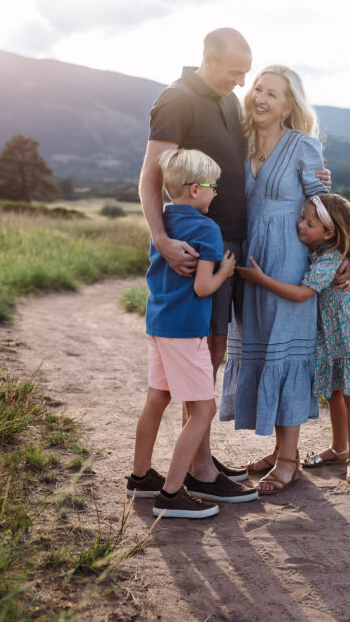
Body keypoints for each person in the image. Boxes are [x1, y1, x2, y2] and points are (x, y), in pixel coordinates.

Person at [138, 29, 332, 493]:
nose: (246, 86)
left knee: (239, 352)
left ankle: (230, 461)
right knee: (212, 353)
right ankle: (200, 468)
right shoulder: (182, 102)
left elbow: (321, 201)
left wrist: (338, 250)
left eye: (257, 81)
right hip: (218, 253)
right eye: (239, 75)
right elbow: (152, 176)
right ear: (207, 59)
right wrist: (160, 237)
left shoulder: (232, 107)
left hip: (260, 256)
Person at [127, 148, 258, 517]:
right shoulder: (207, 229)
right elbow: (203, 288)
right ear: (196, 189)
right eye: (214, 187)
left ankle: (139, 478)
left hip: (159, 324)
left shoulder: (164, 221)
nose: (216, 193)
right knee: (203, 409)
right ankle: (172, 494)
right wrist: (225, 272)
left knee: (158, 397)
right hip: (187, 331)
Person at [221, 65, 329, 495]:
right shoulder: (239, 143)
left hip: (287, 261)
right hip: (248, 261)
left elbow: (324, 209)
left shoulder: (304, 147)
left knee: (286, 354)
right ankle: (276, 450)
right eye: (257, 89)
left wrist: (339, 257)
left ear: (289, 105)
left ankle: (288, 460)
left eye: (272, 94)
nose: (260, 99)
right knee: (258, 349)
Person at [241, 193, 350, 486]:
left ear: (329, 232)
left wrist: (261, 279)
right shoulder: (320, 251)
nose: (300, 225)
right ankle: (337, 448)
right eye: (302, 218)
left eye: (309, 223)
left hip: (347, 335)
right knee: (334, 392)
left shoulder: (329, 259)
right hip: (329, 336)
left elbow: (301, 294)